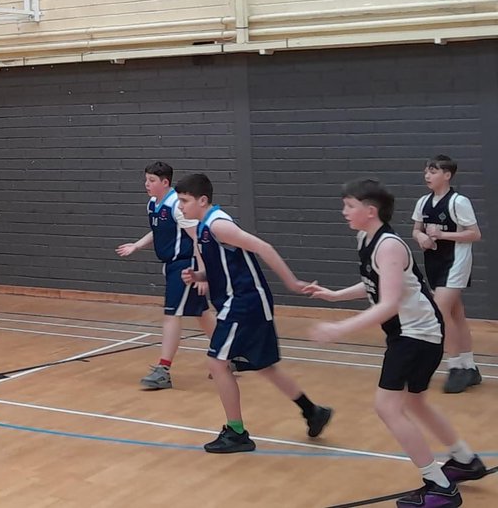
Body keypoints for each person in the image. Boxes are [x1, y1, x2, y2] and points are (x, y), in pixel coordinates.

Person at [307, 178, 487, 507]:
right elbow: (377, 284)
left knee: (387, 407)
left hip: (416, 335)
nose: (343, 211)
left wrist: (340, 329)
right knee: (415, 403)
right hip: (413, 334)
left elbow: (388, 304)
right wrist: (336, 296)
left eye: (349, 206)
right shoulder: (367, 238)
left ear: (370, 211)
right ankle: (464, 460)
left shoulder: (388, 245)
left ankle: (440, 486)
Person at [174, 173, 332, 453]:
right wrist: (199, 274)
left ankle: (236, 433)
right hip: (242, 303)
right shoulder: (202, 228)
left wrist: (292, 283)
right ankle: (312, 411)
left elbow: (263, 247)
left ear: (202, 200)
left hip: (244, 303)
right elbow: (222, 266)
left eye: (185, 201)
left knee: (217, 363)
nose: (181, 207)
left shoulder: (219, 225)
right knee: (263, 365)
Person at [116, 161, 215, 389]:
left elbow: (197, 238)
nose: (146, 184)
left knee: (171, 315)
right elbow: (158, 230)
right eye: (146, 179)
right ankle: (230, 354)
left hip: (185, 267)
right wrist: (137, 246)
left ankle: (164, 369)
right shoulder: (153, 204)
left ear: (165, 182)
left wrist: (203, 273)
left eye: (151, 180)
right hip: (172, 265)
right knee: (202, 314)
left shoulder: (176, 206)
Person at [412, 155, 483, 393]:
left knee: (439, 313)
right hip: (434, 263)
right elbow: (416, 230)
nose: (427, 175)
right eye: (426, 172)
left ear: (447, 175)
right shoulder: (423, 202)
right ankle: (470, 366)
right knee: (456, 313)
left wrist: (443, 236)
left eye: (432, 171)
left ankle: (455, 367)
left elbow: (475, 234)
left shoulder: (458, 202)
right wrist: (421, 236)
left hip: (456, 262)